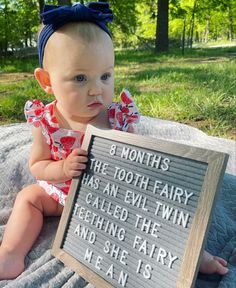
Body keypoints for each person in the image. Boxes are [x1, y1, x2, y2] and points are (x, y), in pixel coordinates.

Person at [0, 2, 228, 281]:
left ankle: (193, 255)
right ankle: (10, 253)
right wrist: (61, 169)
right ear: (47, 80)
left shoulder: (116, 117)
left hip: (112, 200)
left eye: (105, 75)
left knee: (159, 208)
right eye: (80, 78)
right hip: (62, 194)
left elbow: (136, 159)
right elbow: (37, 164)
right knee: (28, 198)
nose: (97, 89)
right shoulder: (47, 120)